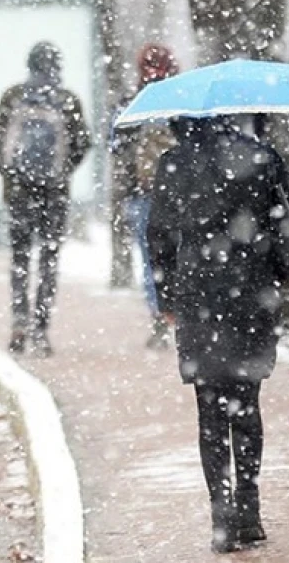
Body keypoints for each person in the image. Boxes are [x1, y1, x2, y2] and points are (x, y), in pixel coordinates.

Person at [147, 115, 289, 553]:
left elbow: (157, 235)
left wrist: (166, 300)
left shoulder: (173, 163)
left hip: (198, 294)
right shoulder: (262, 157)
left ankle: (221, 515)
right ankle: (250, 511)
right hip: (252, 294)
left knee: (210, 408)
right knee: (247, 403)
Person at [0, 42, 92, 357]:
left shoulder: (13, 96)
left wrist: (10, 172)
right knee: (49, 259)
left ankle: (19, 322)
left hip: (19, 191)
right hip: (54, 193)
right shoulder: (66, 100)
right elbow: (83, 142)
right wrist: (62, 172)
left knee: (20, 258)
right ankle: (41, 328)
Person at [110, 43, 180, 349]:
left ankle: (160, 317)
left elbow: (115, 144)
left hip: (144, 194)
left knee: (153, 261)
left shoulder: (131, 103)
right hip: (180, 195)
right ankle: (184, 315)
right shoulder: (182, 102)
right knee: (182, 257)